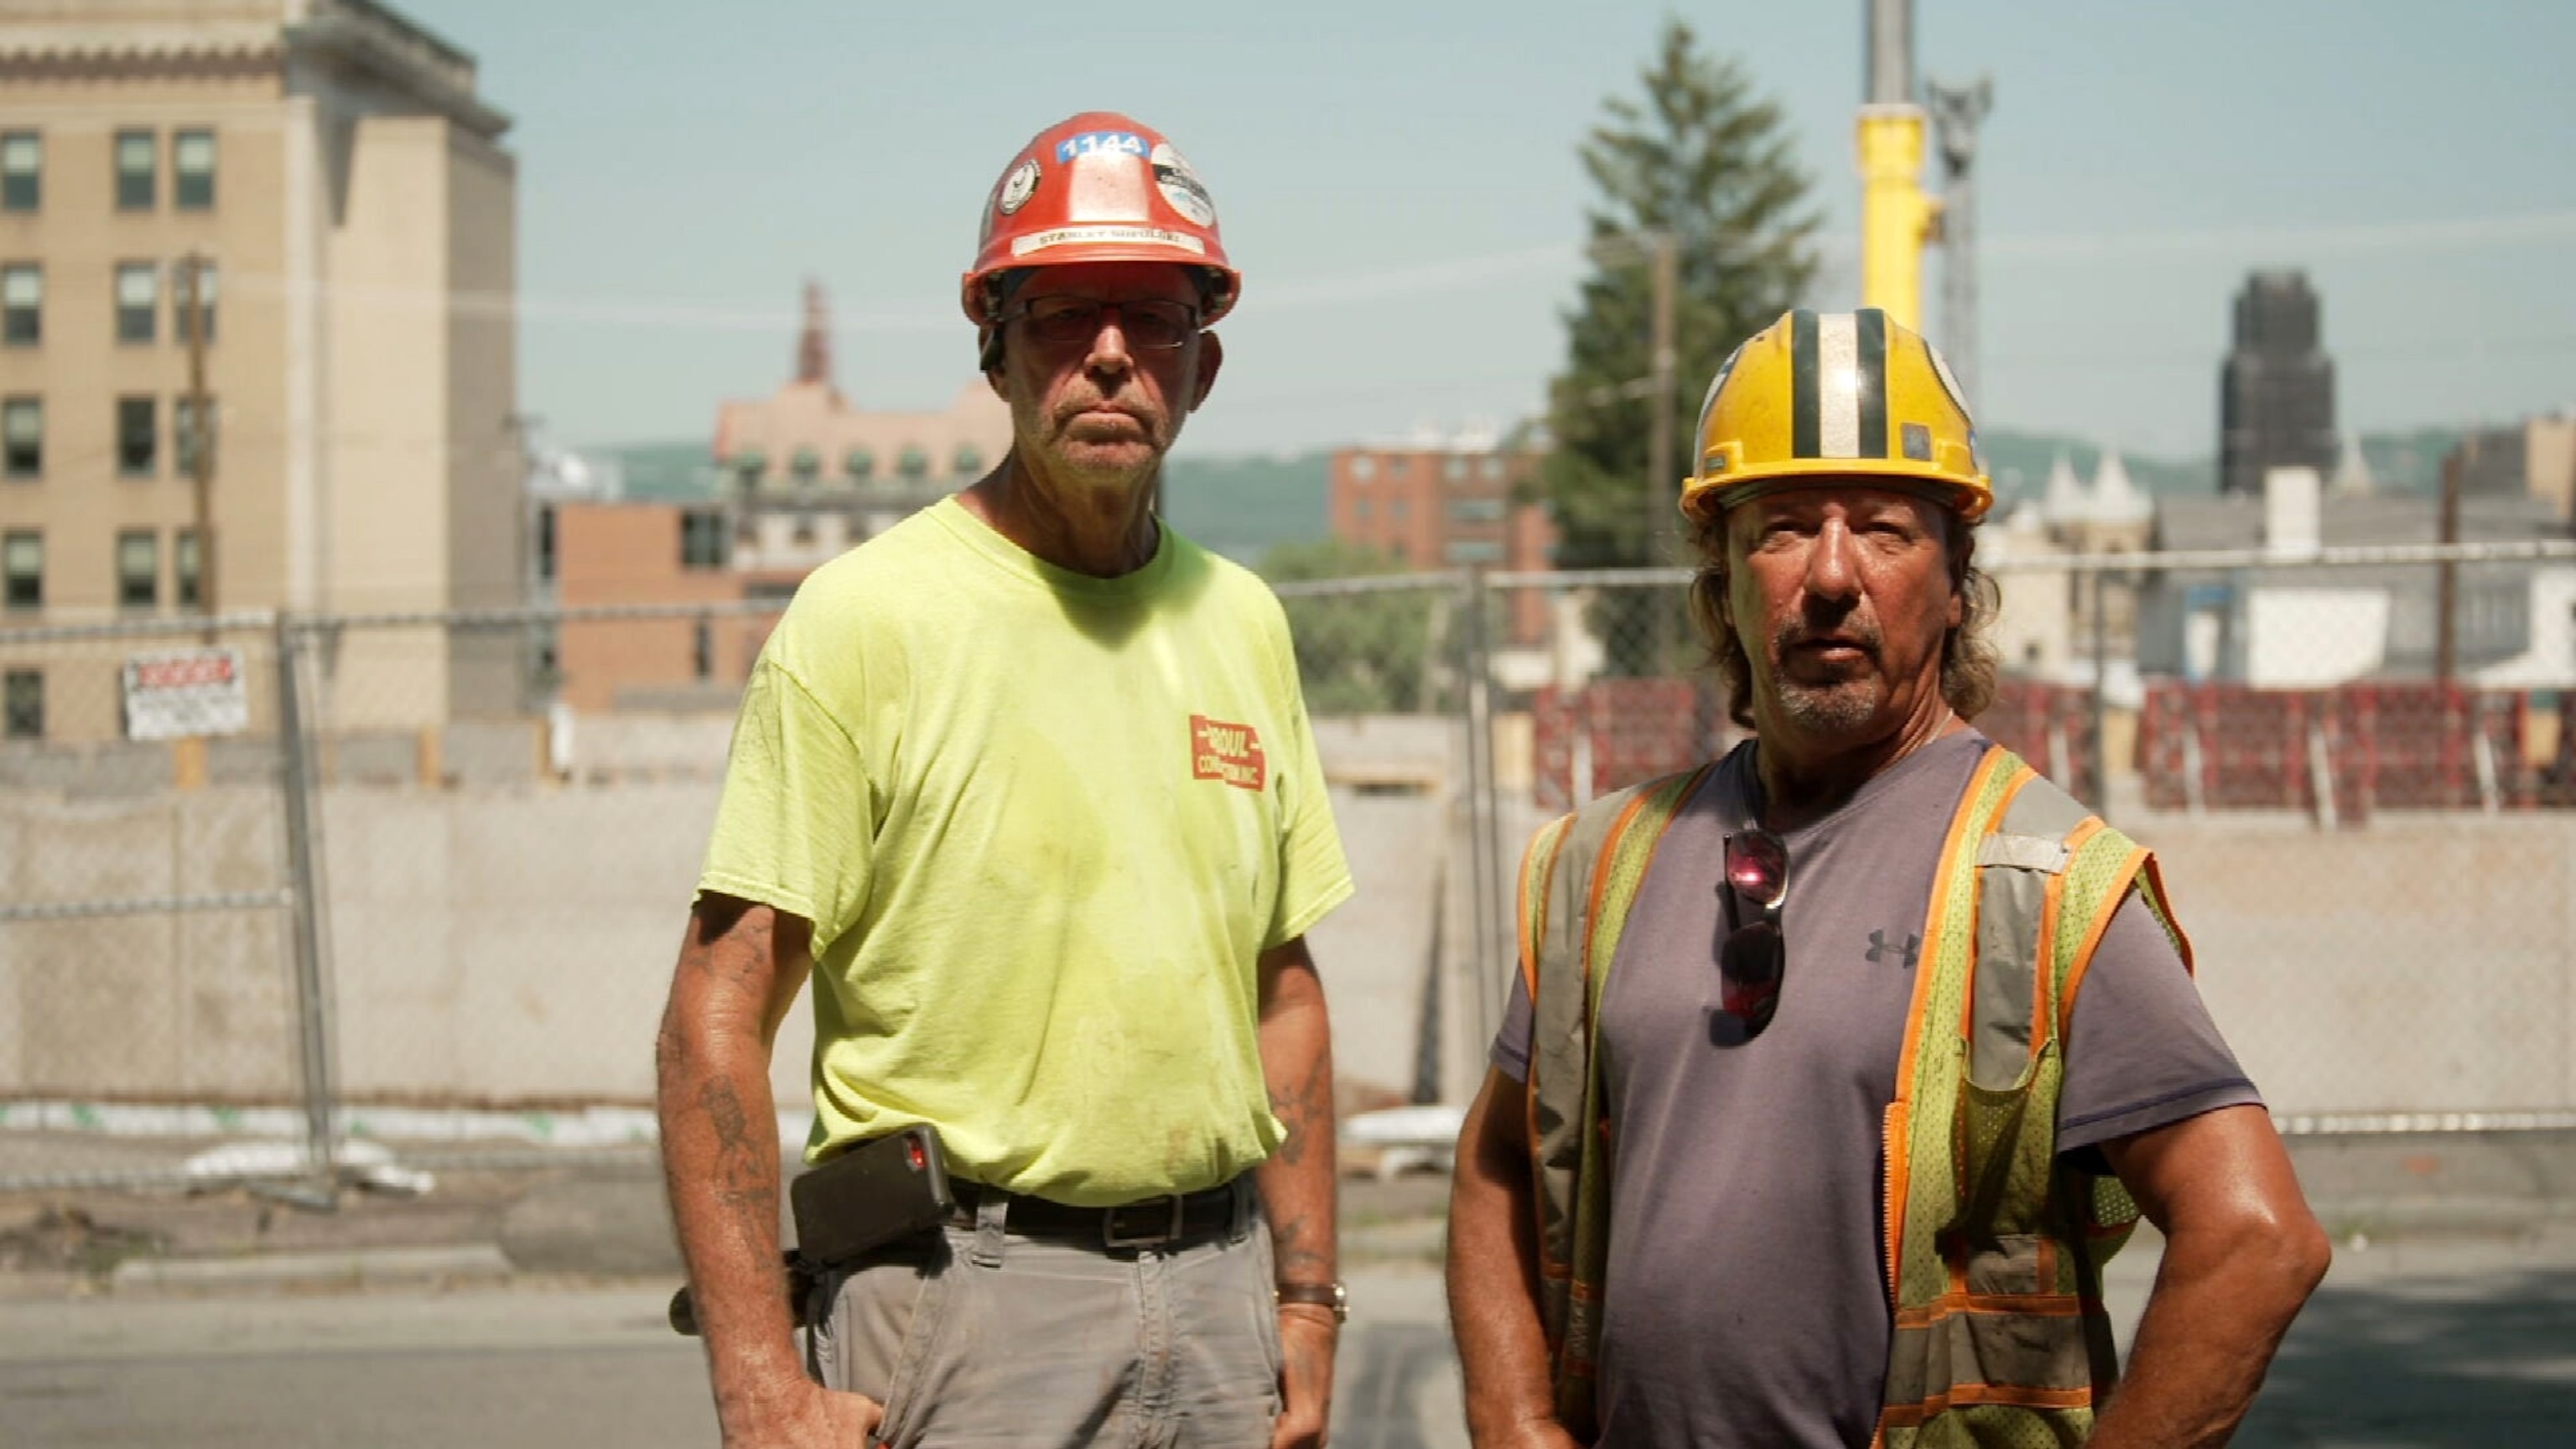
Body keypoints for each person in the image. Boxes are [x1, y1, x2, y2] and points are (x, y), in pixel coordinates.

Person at [1446, 308, 2329, 1448]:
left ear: (1957, 579)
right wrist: (1514, 1420)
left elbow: (2257, 1239)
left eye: (1882, 531)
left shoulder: (2043, 886)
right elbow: (1495, 1165)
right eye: (1778, 529)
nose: (1828, 574)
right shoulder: (1599, 864)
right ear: (1720, 580)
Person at [657, 112, 1353, 1449]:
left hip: (1221, 1304)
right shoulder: (868, 622)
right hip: (963, 1307)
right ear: (996, 348)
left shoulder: (1243, 623)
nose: (1108, 354)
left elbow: (1287, 989)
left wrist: (1307, 1304)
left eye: (1150, 316)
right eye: (1062, 313)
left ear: (1201, 365)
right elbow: (714, 1015)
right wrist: (757, 1382)